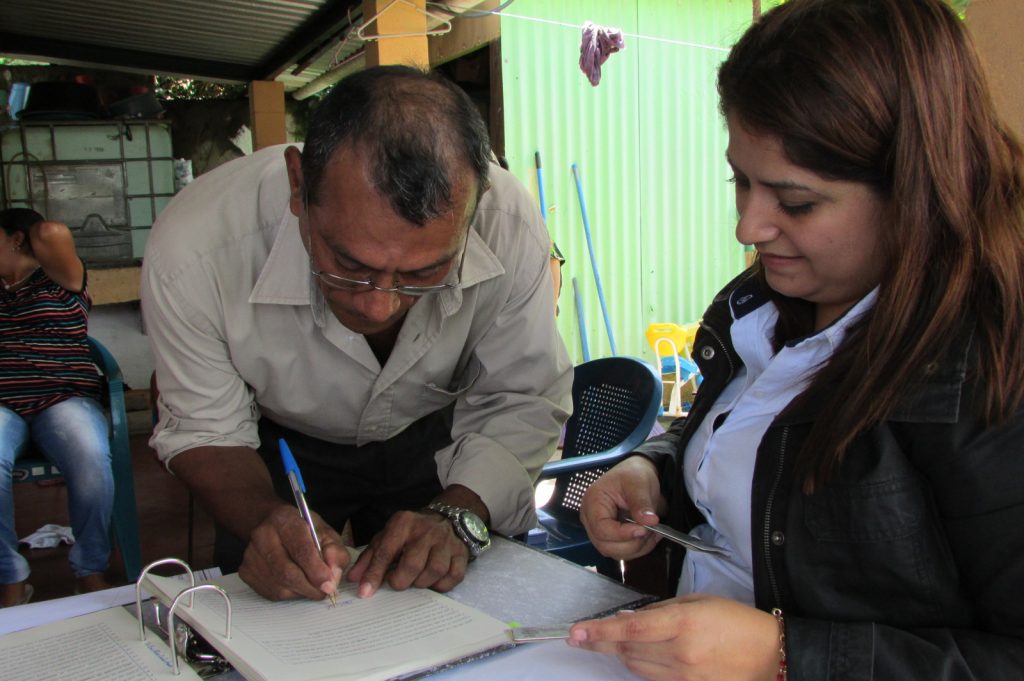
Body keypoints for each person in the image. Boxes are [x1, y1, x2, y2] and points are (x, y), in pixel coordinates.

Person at [569, 1, 1024, 679]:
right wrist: (657, 473)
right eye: (740, 180)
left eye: (796, 201)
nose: (748, 227)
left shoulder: (989, 364)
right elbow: (749, 456)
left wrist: (783, 656)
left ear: (914, 187)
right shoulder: (757, 309)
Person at [141, 65, 572, 603]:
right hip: (272, 450)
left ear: (475, 207)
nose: (379, 305)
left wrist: (459, 513)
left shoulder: (506, 221)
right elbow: (206, 429)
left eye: (423, 273)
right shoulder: (197, 248)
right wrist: (263, 519)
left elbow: (521, 393)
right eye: (347, 263)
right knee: (276, 591)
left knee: (451, 601)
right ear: (299, 183)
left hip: (434, 436)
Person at [0, 208, 114, 607]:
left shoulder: (62, 278)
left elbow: (52, 231)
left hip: (63, 397)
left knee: (88, 452)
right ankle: (10, 579)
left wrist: (28, 231)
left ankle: (90, 570)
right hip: (3, 407)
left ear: (15, 238)